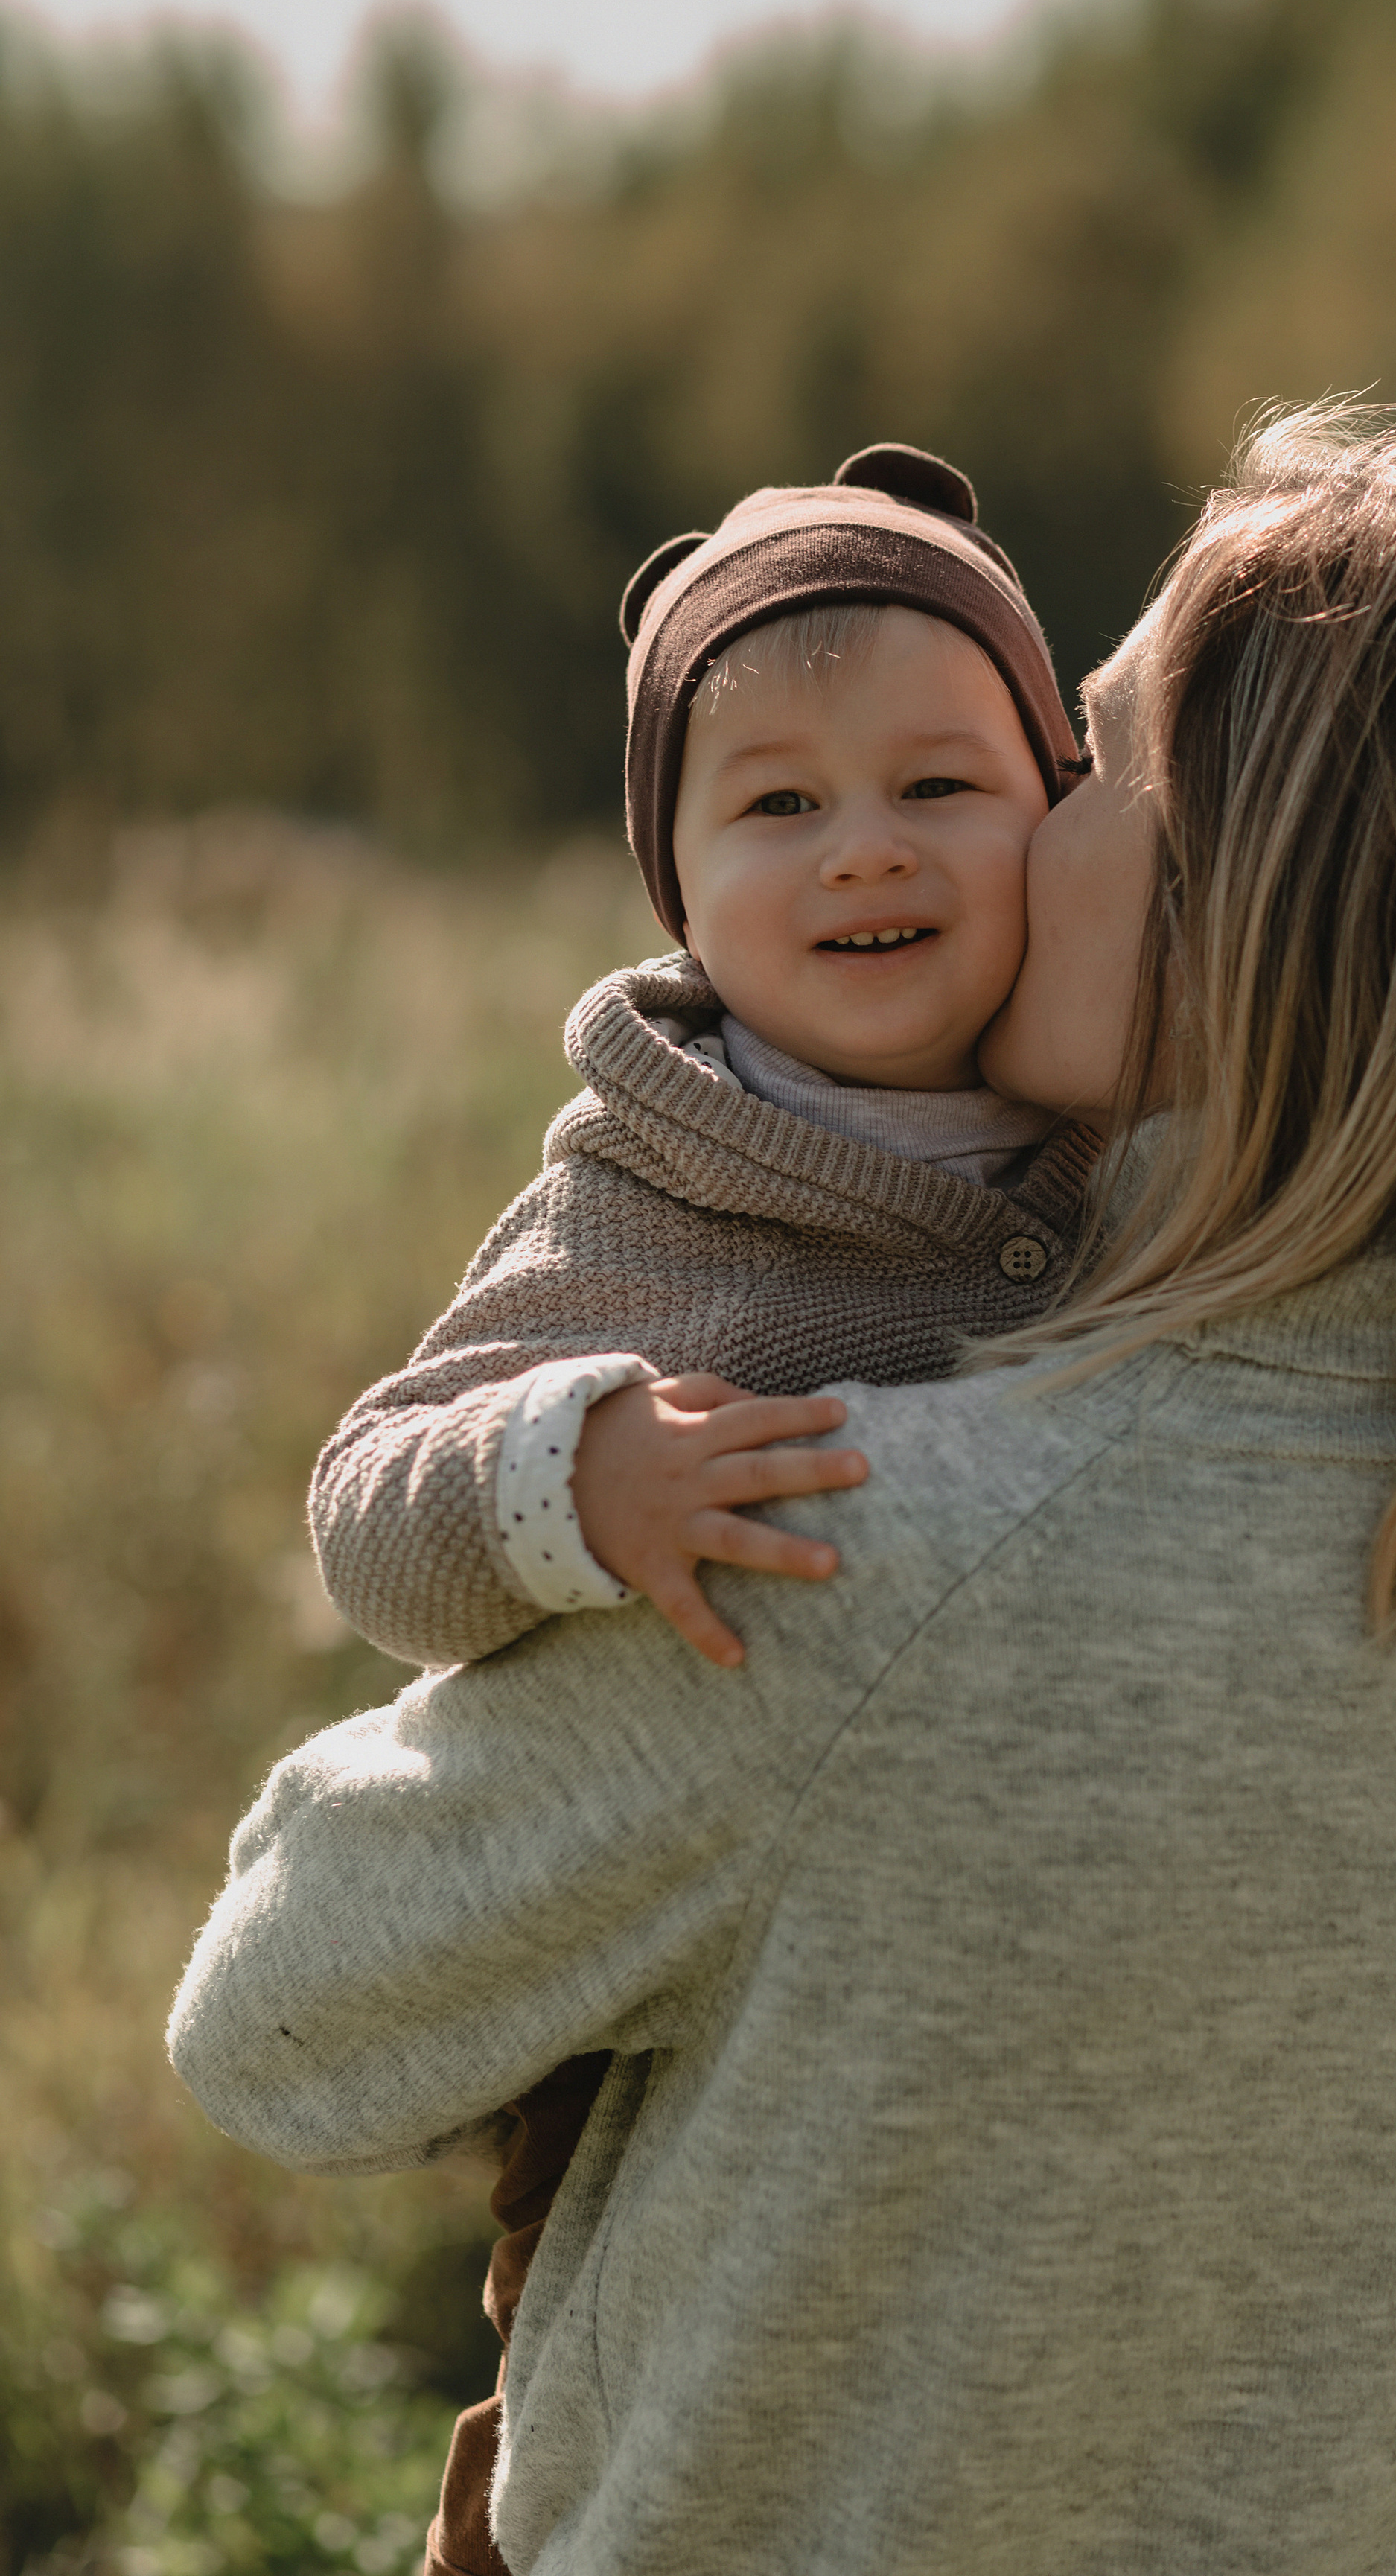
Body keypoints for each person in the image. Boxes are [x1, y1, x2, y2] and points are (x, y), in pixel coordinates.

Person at [170, 404, 1396, 2576]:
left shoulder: (859, 1555)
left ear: (1252, 889)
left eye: (1088, 755)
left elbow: (283, 2024)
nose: (1026, 836)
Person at [307, 437, 1094, 2573]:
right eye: (777, 805)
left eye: (943, 788)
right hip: (685, 2040)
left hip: (1027, 2002)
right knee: (639, 2414)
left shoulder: (1130, 1119)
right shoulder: (654, 1179)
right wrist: (578, 1471)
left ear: (1072, 809)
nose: (867, 852)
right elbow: (369, 1508)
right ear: (673, 878)